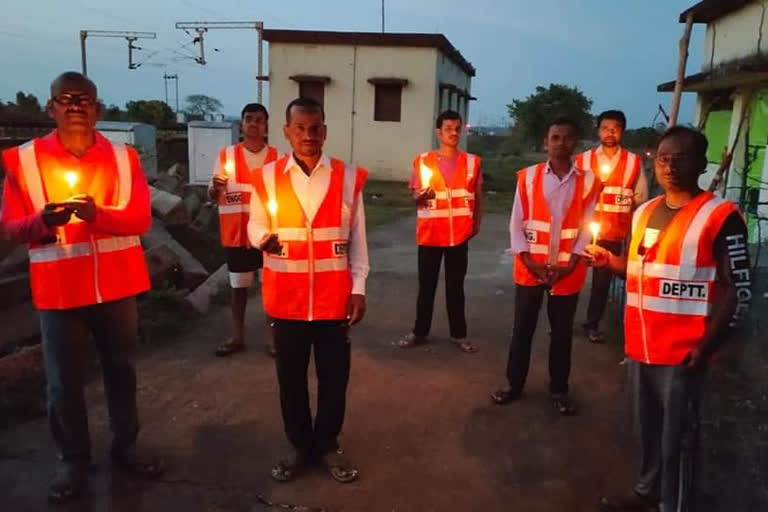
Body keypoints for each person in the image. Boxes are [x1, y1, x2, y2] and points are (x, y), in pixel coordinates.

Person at [0, 72, 161, 504]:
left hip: (117, 287)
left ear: (98, 109)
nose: (75, 105)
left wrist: (97, 216)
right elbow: (12, 227)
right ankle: (72, 460)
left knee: (121, 372)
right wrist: (42, 221)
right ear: (50, 107)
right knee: (62, 382)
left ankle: (126, 446)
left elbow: (140, 219)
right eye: (66, 99)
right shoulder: (23, 161)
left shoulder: (125, 159)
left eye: (84, 99)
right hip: (59, 290)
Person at [589, 126, 751, 512]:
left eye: (681, 158)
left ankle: (674, 504)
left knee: (677, 437)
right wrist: (612, 263)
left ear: (700, 163)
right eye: (663, 158)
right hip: (641, 346)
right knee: (647, 431)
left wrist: (708, 346)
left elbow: (738, 289)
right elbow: (646, 272)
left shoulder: (721, 216)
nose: (670, 165)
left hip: (683, 354)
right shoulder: (644, 211)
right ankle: (649, 492)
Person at [248, 97, 369, 483]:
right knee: (291, 378)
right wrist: (262, 239)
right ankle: (300, 445)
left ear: (325, 131)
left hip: (334, 299)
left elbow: (358, 240)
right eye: (299, 128)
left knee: (335, 378)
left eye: (315, 128)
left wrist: (359, 286)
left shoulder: (347, 177)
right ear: (285, 132)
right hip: (287, 300)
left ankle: (328, 444)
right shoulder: (267, 178)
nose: (308, 136)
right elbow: (254, 224)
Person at [491, 117, 597, 415]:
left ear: (575, 142)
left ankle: (559, 390)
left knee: (561, 333)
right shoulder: (527, 177)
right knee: (522, 329)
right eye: (555, 137)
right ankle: (514, 385)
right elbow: (516, 223)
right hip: (530, 269)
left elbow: (587, 226)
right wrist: (529, 263)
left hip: (568, 271)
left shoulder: (588, 181)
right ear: (545, 142)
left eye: (567, 137)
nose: (561, 143)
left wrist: (572, 262)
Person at [397, 109, 483, 353]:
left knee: (456, 288)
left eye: (457, 128)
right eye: (448, 129)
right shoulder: (422, 161)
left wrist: (477, 222)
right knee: (427, 287)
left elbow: (477, 196)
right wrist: (419, 196)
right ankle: (419, 332)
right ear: (438, 133)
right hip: (431, 234)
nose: (453, 133)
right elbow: (414, 193)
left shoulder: (472, 162)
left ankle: (459, 335)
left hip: (458, 235)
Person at [209, 103, 280, 357]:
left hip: (267, 237)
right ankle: (237, 336)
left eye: (259, 120)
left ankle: (274, 339)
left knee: (271, 288)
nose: (253, 124)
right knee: (238, 288)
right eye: (248, 119)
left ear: (266, 127)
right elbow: (213, 191)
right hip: (236, 234)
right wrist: (215, 188)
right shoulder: (226, 156)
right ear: (241, 124)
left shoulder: (277, 158)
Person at [574, 110, 648, 344]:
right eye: (605, 128)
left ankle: (592, 324)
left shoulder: (633, 162)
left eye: (615, 128)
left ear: (622, 131)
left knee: (601, 283)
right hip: (582, 230)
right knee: (570, 277)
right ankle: (562, 320)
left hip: (613, 232)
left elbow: (641, 199)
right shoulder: (582, 160)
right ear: (598, 131)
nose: (610, 133)